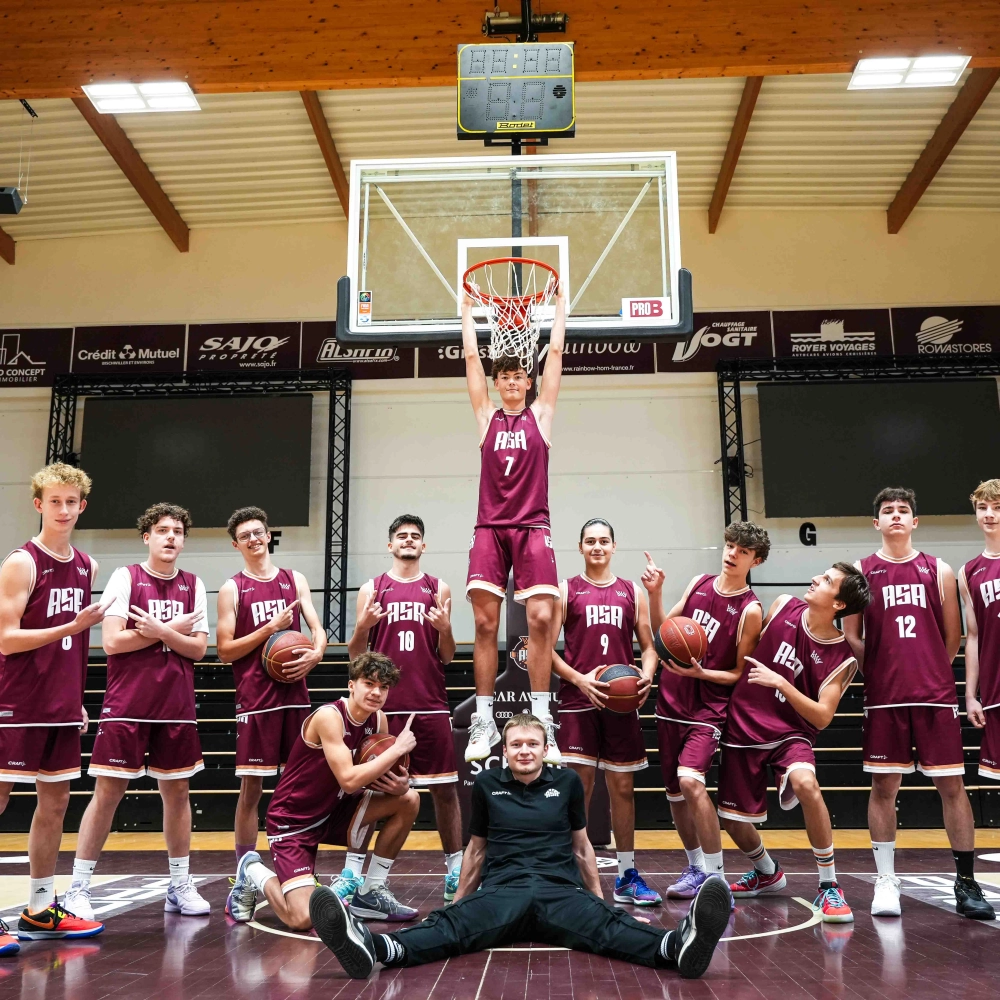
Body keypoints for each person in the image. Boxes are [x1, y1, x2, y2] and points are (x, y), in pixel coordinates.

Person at [309, 713, 732, 981]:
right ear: (505, 752)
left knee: (609, 929)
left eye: (533, 744)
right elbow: (475, 851)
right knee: (451, 929)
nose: (525, 750)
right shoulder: (488, 786)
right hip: (502, 890)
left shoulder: (566, 783)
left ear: (545, 749)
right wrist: (457, 902)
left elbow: (582, 848)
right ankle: (374, 948)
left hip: (559, 890)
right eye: (516, 745)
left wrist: (599, 901)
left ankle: (678, 947)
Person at [843, 487, 994, 920]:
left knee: (952, 787)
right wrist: (877, 670)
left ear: (915, 522)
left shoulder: (939, 569)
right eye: (887, 511)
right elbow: (853, 634)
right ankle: (886, 880)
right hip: (884, 699)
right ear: (876, 523)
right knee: (883, 788)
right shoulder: (861, 571)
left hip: (933, 697)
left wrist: (928, 672)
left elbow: (952, 638)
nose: (895, 516)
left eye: (903, 511)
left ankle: (965, 882)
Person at [65, 504, 212, 920]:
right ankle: (78, 888)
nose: (170, 537)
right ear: (146, 537)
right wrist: (171, 634)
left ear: (184, 540)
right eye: (162, 530)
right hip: (127, 703)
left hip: (176, 705)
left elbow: (199, 648)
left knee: (178, 794)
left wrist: (159, 631)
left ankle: (179, 884)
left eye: (178, 531)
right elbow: (112, 642)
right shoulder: (126, 577)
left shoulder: (194, 584)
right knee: (107, 794)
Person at [226, 652, 421, 929]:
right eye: (369, 683)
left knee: (408, 799)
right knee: (302, 919)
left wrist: (399, 784)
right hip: (293, 823)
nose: (376, 692)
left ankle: (371, 892)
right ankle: (251, 869)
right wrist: (398, 749)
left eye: (384, 687)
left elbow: (368, 778)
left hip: (334, 812)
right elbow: (350, 780)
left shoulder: (378, 721)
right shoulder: (330, 717)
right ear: (352, 685)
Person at [718, 565, 869, 923]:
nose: (816, 579)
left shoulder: (842, 657)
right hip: (743, 724)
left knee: (806, 783)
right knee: (732, 820)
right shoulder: (783, 606)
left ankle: (829, 885)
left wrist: (782, 684)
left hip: (791, 733)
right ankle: (767, 871)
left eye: (828, 581)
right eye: (821, 574)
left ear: (838, 604)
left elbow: (822, 717)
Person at [0, 464, 107, 948]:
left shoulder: (88, 565)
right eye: (54, 502)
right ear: (38, 504)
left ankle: (40, 908)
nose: (63, 510)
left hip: (60, 705)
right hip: (15, 700)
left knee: (55, 804)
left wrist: (74, 700)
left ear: (82, 506)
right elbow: (6, 639)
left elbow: (74, 650)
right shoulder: (21, 562)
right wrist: (69, 626)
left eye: (72, 502)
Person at [462, 289, 566, 765]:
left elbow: (556, 355)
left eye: (517, 376)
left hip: (532, 526)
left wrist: (560, 311)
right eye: (502, 377)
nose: (510, 383)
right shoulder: (485, 416)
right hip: (490, 526)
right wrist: (467, 315)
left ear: (526, 381)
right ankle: (484, 720)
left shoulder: (540, 416)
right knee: (486, 623)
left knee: (543, 619)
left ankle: (542, 718)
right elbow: (471, 360)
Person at [642, 521, 768, 897]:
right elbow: (665, 629)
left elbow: (739, 674)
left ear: (755, 561)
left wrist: (702, 672)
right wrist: (655, 593)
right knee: (675, 795)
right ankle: (696, 867)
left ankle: (716, 878)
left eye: (743, 551)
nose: (732, 554)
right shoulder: (698, 583)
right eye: (730, 545)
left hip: (707, 711)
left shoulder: (750, 610)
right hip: (670, 702)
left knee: (690, 781)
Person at [347, 514, 462, 901]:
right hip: (384, 709)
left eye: (415, 536)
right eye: (401, 536)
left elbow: (447, 656)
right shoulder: (372, 588)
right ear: (390, 544)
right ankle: (352, 874)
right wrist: (362, 625)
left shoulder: (438, 587)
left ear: (423, 546)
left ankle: (455, 872)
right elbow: (355, 655)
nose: (408, 541)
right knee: (374, 792)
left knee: (446, 791)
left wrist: (446, 629)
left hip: (430, 702)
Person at [552, 517, 660, 905]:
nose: (597, 547)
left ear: (614, 547)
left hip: (621, 702)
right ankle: (572, 870)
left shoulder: (632, 591)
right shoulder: (566, 590)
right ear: (579, 547)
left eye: (603, 541)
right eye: (590, 541)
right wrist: (579, 679)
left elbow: (648, 646)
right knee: (577, 790)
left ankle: (628, 874)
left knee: (623, 789)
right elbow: (544, 649)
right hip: (580, 700)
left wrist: (646, 675)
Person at [216, 506, 326, 867]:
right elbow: (224, 651)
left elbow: (316, 627)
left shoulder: (294, 580)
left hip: (295, 697)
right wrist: (267, 629)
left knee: (300, 785)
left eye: (258, 532)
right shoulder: (233, 588)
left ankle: (295, 861)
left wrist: (317, 653)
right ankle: (244, 868)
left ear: (268, 536)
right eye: (245, 535)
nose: (253, 539)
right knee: (251, 790)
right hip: (256, 701)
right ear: (236, 544)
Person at [962, 479, 1000, 784]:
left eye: (997, 507)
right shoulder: (968, 572)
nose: (990, 514)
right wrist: (971, 695)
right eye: (983, 507)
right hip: (995, 690)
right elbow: (973, 637)